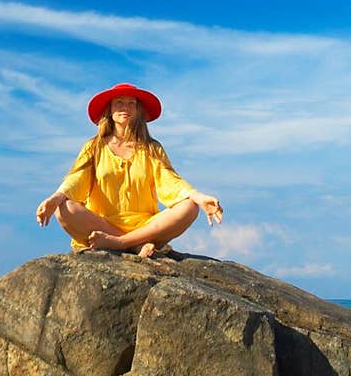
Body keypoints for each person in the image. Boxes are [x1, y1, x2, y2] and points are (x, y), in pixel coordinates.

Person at [35, 82, 223, 259]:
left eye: (131, 103)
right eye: (119, 103)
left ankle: (121, 243)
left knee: (189, 208)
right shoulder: (93, 147)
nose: (125, 108)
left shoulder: (151, 148)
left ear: (138, 110)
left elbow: (171, 181)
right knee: (64, 209)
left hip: (146, 225)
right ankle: (135, 245)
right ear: (109, 109)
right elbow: (77, 179)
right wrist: (57, 197)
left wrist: (198, 197)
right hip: (103, 225)